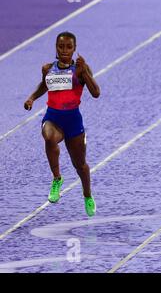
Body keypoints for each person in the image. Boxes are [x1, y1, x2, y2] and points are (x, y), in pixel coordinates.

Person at [24, 31, 100, 217]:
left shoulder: (81, 68)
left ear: (74, 49)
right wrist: (32, 98)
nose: (64, 50)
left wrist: (85, 74)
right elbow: (45, 85)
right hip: (53, 118)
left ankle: (87, 195)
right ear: (56, 48)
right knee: (49, 137)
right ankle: (57, 178)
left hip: (73, 121)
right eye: (61, 46)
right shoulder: (48, 69)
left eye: (68, 47)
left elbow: (96, 93)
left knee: (80, 166)